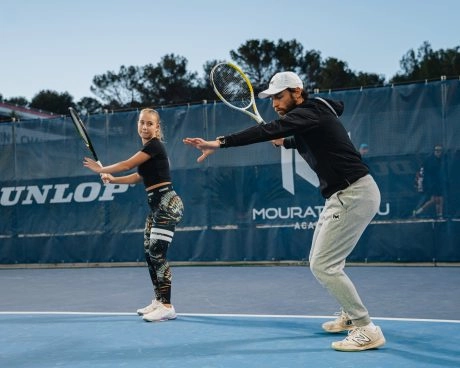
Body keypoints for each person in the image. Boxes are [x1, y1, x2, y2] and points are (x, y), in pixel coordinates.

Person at [183, 71, 385, 352]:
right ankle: (351, 316)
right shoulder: (314, 114)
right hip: (345, 194)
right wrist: (288, 141)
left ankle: (366, 328)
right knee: (324, 262)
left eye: (279, 96)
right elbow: (309, 137)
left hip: (353, 193)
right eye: (271, 99)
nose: (275, 104)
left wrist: (220, 142)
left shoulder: (311, 110)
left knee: (323, 266)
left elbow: (268, 129)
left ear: (298, 93)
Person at [83, 108, 184, 322]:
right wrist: (112, 179)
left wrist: (100, 170)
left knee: (157, 252)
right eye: (142, 122)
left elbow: (127, 164)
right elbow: (137, 176)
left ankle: (167, 305)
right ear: (137, 125)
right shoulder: (148, 150)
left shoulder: (155, 146)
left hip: (168, 204)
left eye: (149, 123)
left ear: (157, 127)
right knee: (149, 253)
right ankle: (158, 300)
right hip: (156, 206)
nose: (145, 127)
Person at [412, 144, 447, 219]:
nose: (438, 152)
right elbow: (427, 174)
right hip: (431, 183)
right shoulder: (430, 161)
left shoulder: (442, 160)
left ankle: (439, 215)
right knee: (434, 199)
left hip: (438, 183)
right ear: (434, 151)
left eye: (440, 151)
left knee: (439, 199)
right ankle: (418, 212)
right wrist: (429, 184)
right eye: (436, 151)